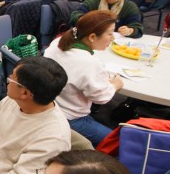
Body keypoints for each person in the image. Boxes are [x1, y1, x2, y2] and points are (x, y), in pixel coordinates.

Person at [44, 11, 123, 146]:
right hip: (69, 118)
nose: (113, 38)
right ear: (92, 37)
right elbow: (101, 98)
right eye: (110, 34)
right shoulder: (89, 63)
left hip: (47, 106)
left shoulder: (58, 42)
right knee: (118, 142)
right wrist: (115, 85)